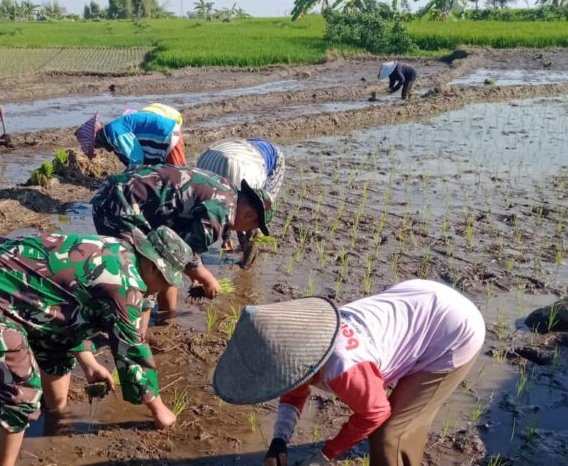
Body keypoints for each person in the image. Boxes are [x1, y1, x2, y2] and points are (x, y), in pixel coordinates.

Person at [0, 227, 192, 466]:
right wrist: (159, 410)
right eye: (166, 281)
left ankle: (53, 425)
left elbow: (71, 305)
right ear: (153, 266)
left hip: (26, 289)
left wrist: (89, 363)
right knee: (20, 396)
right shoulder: (124, 284)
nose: (163, 289)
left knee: (57, 360)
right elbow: (132, 351)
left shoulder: (121, 253)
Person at [212, 279, 485, 466]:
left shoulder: (343, 366)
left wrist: (325, 455)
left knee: (390, 434)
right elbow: (294, 392)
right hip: (418, 297)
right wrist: (279, 441)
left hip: (454, 330)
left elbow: (374, 413)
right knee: (402, 414)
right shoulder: (300, 343)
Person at [91, 164, 274, 332]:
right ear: (250, 216)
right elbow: (184, 256)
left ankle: (165, 320)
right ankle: (134, 340)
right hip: (120, 205)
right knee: (142, 278)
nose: (244, 231)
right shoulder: (221, 213)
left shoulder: (226, 189)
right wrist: (207, 279)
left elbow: (174, 254)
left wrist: (194, 274)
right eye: (251, 227)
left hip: (125, 193)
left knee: (163, 266)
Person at [196, 138, 285, 265]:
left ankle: (248, 257)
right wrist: (226, 237)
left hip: (269, 157)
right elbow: (218, 210)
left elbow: (248, 213)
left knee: (256, 217)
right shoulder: (204, 178)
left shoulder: (253, 178)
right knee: (240, 215)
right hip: (229, 149)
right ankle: (243, 246)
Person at [76, 110, 185, 170]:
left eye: (95, 145)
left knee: (177, 175)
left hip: (167, 135)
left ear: (96, 139)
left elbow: (137, 158)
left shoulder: (114, 133)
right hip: (166, 132)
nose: (98, 148)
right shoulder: (112, 130)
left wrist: (129, 177)